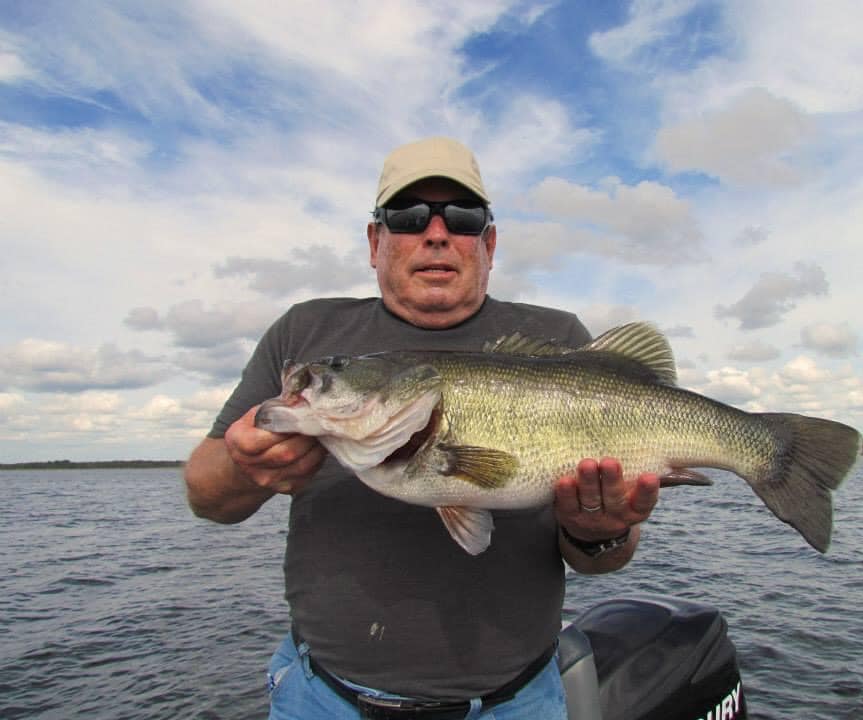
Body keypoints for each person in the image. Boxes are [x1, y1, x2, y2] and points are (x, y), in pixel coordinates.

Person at [184, 137, 661, 719]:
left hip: (516, 704)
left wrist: (599, 533)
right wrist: (243, 465)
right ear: (374, 241)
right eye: (407, 217)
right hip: (324, 699)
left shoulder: (560, 338)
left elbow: (604, 559)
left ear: (488, 243)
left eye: (462, 218)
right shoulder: (305, 333)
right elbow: (206, 498)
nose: (436, 233)